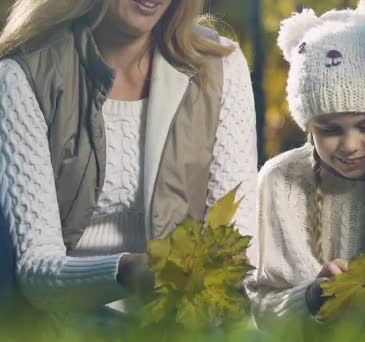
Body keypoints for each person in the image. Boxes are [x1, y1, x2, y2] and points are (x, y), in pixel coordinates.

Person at [0, 0, 257, 326]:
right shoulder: (23, 76)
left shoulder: (219, 65)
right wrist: (129, 271)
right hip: (64, 320)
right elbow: (36, 271)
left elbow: (236, 246)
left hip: (184, 319)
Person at [244, 0, 365, 330]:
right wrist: (311, 296)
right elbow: (263, 306)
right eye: (329, 130)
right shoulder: (280, 181)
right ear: (308, 126)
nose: (351, 145)